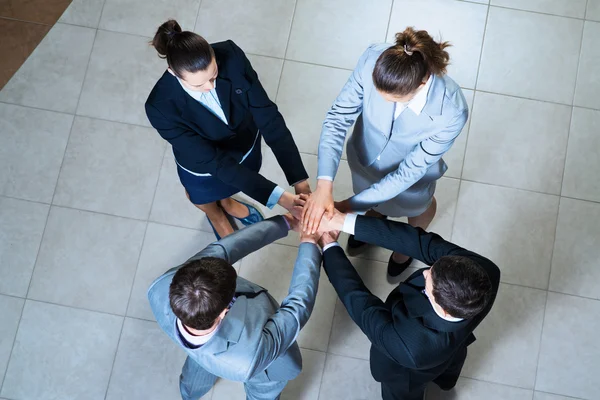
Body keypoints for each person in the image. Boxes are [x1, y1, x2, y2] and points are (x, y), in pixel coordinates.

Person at [303, 27, 469, 278]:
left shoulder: (452, 111)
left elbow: (408, 172)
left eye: (392, 100)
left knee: (416, 207)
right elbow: (337, 119)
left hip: (411, 180)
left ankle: (407, 248)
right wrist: (324, 185)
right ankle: (375, 217)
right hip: (364, 159)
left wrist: (347, 207)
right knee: (373, 198)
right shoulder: (372, 58)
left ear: (421, 84)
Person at [146, 20, 310, 239]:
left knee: (237, 182)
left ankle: (228, 202)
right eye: (199, 85)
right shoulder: (160, 107)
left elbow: (269, 118)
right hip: (204, 165)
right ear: (174, 74)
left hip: (243, 145)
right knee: (203, 196)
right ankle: (216, 216)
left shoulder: (231, 55)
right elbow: (216, 163)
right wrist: (281, 198)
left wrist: (301, 183)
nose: (211, 87)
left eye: (213, 75)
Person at [317, 210, 500, 400]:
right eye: (432, 269)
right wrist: (341, 222)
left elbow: (360, 303)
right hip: (456, 345)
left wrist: (329, 246)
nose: (425, 272)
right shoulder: (485, 271)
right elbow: (419, 242)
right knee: (451, 363)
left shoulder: (408, 346)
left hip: (407, 376)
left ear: (443, 309)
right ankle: (447, 382)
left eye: (430, 280)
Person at [147, 208, 322, 400]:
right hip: (259, 369)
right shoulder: (249, 358)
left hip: (198, 346)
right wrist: (310, 244)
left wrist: (286, 222)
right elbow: (297, 308)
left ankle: (189, 394)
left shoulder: (162, 286)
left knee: (198, 364)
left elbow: (223, 250)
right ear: (224, 311)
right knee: (264, 393)